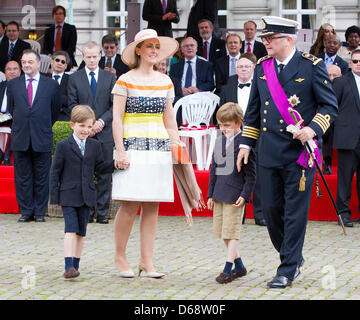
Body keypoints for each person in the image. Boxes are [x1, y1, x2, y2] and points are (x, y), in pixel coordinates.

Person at [237, 16, 338, 288]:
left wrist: (312, 130)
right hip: (269, 152)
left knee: (294, 213)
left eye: (270, 39)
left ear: (288, 40)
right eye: (264, 39)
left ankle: (288, 268)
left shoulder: (311, 66)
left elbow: (329, 107)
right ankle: (292, 255)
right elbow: (253, 111)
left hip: (298, 154)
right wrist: (245, 144)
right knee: (271, 212)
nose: (265, 43)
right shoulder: (262, 68)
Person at [111, 29, 180, 278]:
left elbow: (170, 119)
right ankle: (120, 257)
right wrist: (120, 151)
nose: (153, 51)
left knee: (152, 206)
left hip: (159, 149)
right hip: (131, 148)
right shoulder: (124, 80)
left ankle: (146, 261)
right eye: (149, 46)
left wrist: (177, 142)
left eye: (156, 46)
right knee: (129, 204)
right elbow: (116, 120)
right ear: (138, 50)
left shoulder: (166, 81)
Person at [50, 105, 116, 279]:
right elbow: (55, 172)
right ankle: (68, 266)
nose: (85, 130)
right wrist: (55, 196)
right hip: (68, 195)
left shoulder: (95, 146)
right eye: (82, 126)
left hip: (87, 195)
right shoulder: (64, 146)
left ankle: (76, 266)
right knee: (70, 229)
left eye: (89, 126)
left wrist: (115, 164)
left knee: (81, 232)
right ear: (72, 125)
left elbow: (100, 167)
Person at [7, 49, 60, 223]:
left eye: (30, 62)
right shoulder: (13, 85)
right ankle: (26, 211)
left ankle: (39, 212)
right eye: (24, 62)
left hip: (41, 136)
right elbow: (12, 109)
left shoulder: (51, 85)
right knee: (22, 177)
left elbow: (55, 112)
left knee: (42, 176)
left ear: (38, 63)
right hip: (21, 136)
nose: (27, 65)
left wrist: (41, 125)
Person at [67, 41, 116, 224]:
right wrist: (88, 124)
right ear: (83, 57)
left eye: (95, 56)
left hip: (104, 132)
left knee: (104, 174)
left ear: (100, 56)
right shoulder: (74, 78)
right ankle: (87, 212)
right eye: (88, 57)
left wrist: (101, 122)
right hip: (83, 135)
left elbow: (114, 106)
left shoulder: (109, 78)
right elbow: (71, 104)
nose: (92, 60)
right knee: (85, 174)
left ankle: (102, 213)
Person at [207, 102, 256, 284]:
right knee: (223, 233)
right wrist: (210, 194)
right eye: (220, 125)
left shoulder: (245, 144)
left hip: (236, 195)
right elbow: (214, 169)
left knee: (232, 232)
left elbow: (251, 174)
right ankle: (240, 266)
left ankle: (228, 268)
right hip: (220, 193)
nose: (223, 128)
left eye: (227, 125)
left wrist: (245, 195)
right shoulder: (219, 141)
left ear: (238, 123)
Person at [219, 53, 267, 227]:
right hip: (235, 136)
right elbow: (222, 113)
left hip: (258, 135)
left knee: (259, 174)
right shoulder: (227, 89)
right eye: (240, 66)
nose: (244, 69)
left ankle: (260, 213)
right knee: (237, 174)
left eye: (247, 66)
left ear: (253, 68)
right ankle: (239, 212)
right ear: (235, 69)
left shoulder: (262, 85)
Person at [332, 49, 360, 228]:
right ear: (350, 63)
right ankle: (343, 214)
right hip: (347, 138)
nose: (358, 64)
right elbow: (331, 107)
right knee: (344, 179)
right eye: (355, 61)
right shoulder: (341, 82)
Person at [42, 5, 77, 70]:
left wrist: (61, 57)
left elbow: (72, 47)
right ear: (53, 16)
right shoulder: (48, 31)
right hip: (51, 58)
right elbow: (44, 48)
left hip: (66, 58)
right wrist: (49, 55)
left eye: (60, 14)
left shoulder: (71, 29)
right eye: (56, 14)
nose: (58, 16)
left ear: (64, 15)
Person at [0, 60, 21, 166]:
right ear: (5, 72)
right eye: (9, 69)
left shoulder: (24, 87)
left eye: (15, 69)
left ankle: (6, 157)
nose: (12, 72)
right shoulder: (1, 86)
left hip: (14, 119)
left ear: (20, 71)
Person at [322, 64, 342, 175]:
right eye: (329, 74)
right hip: (325, 118)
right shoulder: (320, 84)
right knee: (327, 129)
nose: (331, 78)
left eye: (335, 75)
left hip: (341, 119)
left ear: (340, 75)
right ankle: (327, 162)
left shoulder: (345, 85)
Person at [156, 59, 183, 127]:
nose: (160, 67)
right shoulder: (149, 81)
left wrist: (169, 100)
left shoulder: (174, 81)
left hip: (171, 114)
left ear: (167, 67)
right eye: (158, 64)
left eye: (163, 64)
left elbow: (180, 97)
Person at [49, 51, 71, 121]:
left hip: (63, 115)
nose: (59, 63)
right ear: (52, 62)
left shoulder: (71, 80)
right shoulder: (44, 78)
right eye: (57, 60)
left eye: (63, 62)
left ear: (66, 66)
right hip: (44, 113)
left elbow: (70, 99)